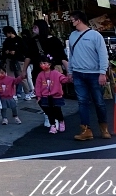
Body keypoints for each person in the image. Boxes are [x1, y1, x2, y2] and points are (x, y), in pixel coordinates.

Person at [66, 11, 111, 141]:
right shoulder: (73, 36)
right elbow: (72, 55)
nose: (71, 22)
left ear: (78, 20)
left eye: (72, 19)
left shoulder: (95, 36)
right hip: (78, 73)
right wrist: (70, 71)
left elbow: (103, 55)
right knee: (82, 102)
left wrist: (102, 72)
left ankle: (104, 128)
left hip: (94, 74)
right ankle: (86, 130)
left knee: (99, 102)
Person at [34, 59, 68, 134]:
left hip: (56, 96)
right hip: (45, 96)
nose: (42, 65)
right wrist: (38, 96)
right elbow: (38, 86)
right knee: (49, 112)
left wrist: (68, 78)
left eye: (44, 63)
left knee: (57, 110)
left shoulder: (56, 73)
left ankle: (61, 121)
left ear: (49, 64)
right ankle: (53, 125)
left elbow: (63, 79)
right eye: (41, 63)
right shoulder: (40, 75)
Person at [0, 27, 29, 100]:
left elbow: (25, 50)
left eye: (6, 33)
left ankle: (27, 93)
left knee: (22, 77)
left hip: (19, 60)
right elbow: (3, 51)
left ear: (10, 32)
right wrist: (6, 53)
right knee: (11, 78)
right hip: (9, 61)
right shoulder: (6, 41)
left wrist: (16, 52)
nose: (6, 35)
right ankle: (13, 94)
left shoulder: (19, 40)